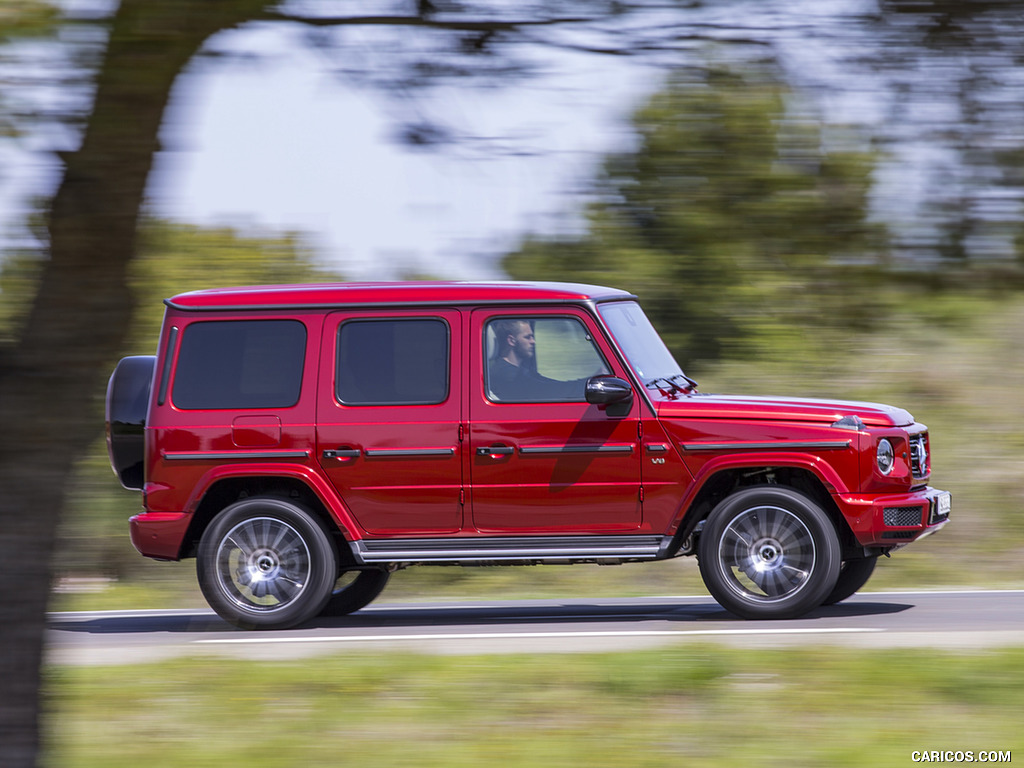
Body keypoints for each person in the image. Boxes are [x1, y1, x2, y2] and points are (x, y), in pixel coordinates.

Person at [488, 318, 581, 402]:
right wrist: (584, 387)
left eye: (532, 337)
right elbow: (549, 389)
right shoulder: (508, 376)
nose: (533, 341)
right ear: (511, 340)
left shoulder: (519, 371)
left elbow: (544, 383)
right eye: (527, 337)